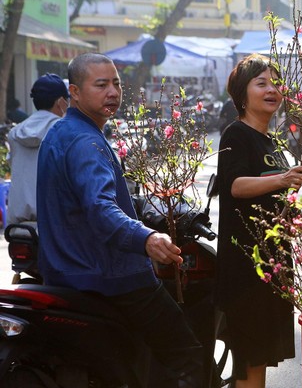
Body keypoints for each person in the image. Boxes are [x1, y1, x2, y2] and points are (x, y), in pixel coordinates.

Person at [37, 53, 204, 387]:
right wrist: (145, 238)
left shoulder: (60, 132)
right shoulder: (86, 141)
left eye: (116, 83)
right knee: (187, 356)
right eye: (101, 85)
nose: (112, 92)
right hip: (111, 276)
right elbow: (100, 207)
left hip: (63, 274)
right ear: (74, 92)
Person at [216, 53, 302, 388]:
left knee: (261, 361)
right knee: (250, 362)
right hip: (246, 267)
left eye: (276, 83)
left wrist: (292, 215)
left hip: (273, 263)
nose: (273, 89)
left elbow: (273, 194)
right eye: (262, 83)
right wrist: (283, 180)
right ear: (243, 94)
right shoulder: (236, 135)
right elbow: (236, 186)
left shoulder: (273, 141)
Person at [7, 74, 69, 225]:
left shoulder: (15, 133)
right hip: (58, 223)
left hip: (19, 224)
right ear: (61, 101)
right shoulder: (66, 130)